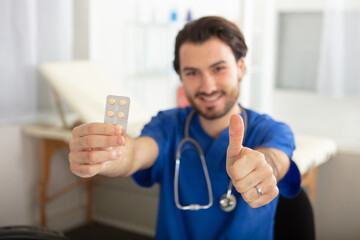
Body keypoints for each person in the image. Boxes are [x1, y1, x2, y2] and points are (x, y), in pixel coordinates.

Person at [69, 16, 301, 240]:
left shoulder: (271, 131)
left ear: (240, 68)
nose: (207, 86)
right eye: (192, 73)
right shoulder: (168, 125)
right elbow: (135, 154)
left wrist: (263, 167)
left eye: (218, 69)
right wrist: (107, 155)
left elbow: (275, 160)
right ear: (180, 76)